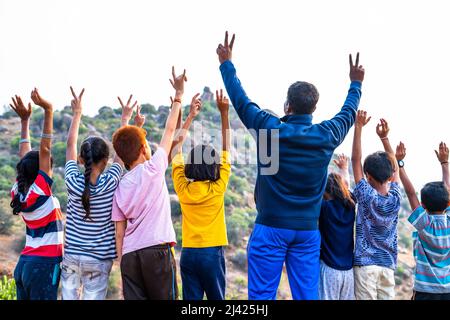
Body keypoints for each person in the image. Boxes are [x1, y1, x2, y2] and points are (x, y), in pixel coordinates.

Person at [215, 31, 365, 300]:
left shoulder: (269, 129)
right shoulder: (326, 134)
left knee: (261, 298)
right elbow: (348, 113)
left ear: (287, 105)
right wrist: (355, 84)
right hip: (307, 232)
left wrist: (226, 63)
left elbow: (240, 100)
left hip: (270, 228)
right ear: (314, 109)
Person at [111, 67, 186, 300]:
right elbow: (170, 129)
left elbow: (119, 233)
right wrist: (178, 95)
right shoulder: (153, 168)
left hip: (131, 257)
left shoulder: (120, 186)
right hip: (157, 251)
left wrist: (124, 267)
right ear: (145, 149)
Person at [61, 88, 140, 299]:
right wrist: (126, 119)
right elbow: (121, 155)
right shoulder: (111, 180)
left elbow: (69, 144)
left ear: (80, 159)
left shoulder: (71, 180)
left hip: (70, 257)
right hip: (98, 259)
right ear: (106, 161)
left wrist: (77, 113)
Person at [172, 89, 231, 300]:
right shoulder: (218, 188)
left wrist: (187, 116)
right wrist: (224, 114)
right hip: (211, 255)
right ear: (214, 167)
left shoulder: (182, 188)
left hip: (188, 253)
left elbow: (175, 150)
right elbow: (227, 149)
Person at [9, 89, 64, 300]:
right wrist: (48, 110)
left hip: (25, 265)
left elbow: (26, 158)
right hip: (44, 265)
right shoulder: (40, 190)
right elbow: (45, 149)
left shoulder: (20, 191)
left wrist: (25, 121)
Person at [351, 114, 402, 300]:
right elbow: (396, 168)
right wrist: (385, 138)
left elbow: (355, 160)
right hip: (387, 267)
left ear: (368, 176)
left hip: (365, 265)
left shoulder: (366, 195)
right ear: (390, 178)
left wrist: (358, 126)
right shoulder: (396, 198)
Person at [395, 141, 450, 300]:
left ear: (423, 206)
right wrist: (444, 162)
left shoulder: (425, 224)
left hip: (425, 291)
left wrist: (401, 163)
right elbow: (448, 190)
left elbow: (411, 194)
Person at [318, 154, 356, 300]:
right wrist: (344, 169)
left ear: (325, 192)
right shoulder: (350, 205)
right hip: (348, 272)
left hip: (329, 269)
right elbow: (346, 186)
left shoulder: (324, 208)